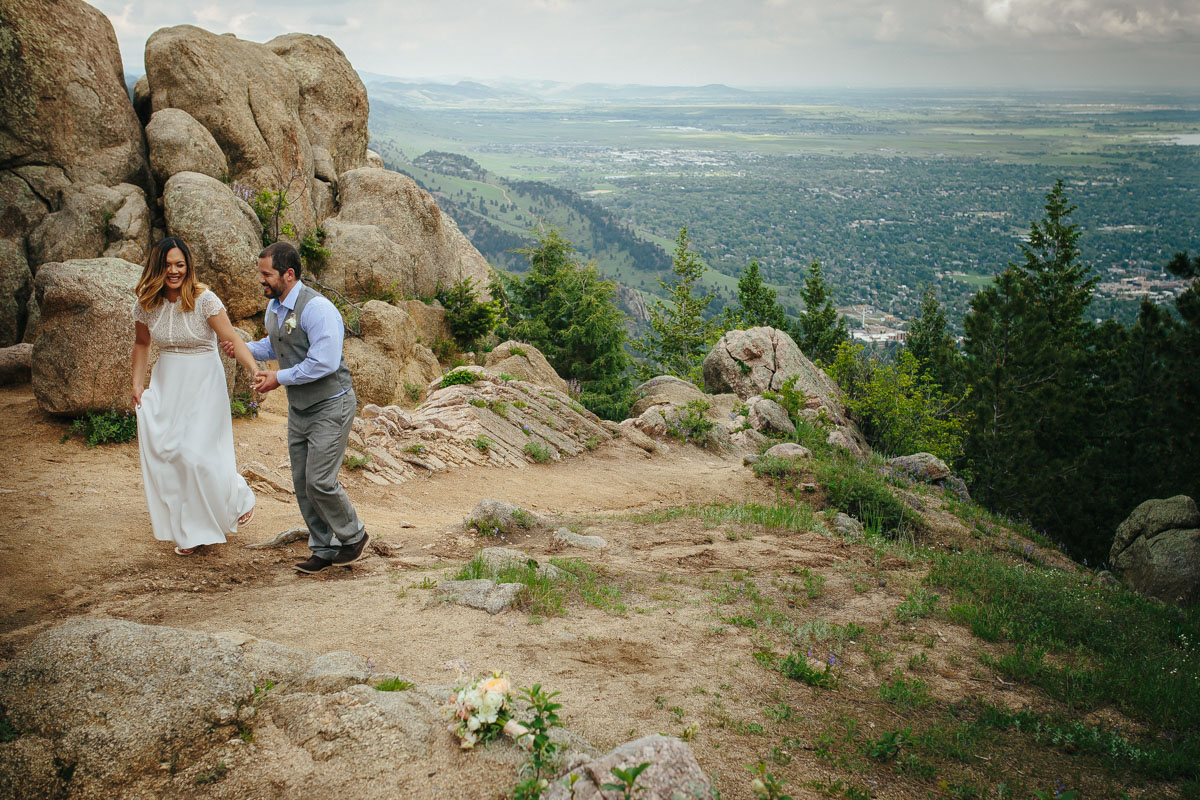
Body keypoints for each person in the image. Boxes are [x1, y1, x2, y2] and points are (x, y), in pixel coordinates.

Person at [223, 241, 369, 574]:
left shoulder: (318, 309)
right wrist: (244, 349)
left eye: (266, 274)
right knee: (303, 482)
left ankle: (353, 535)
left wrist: (279, 378)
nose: (261, 280)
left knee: (319, 479)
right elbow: (274, 345)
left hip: (331, 405)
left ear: (288, 274)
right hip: (300, 409)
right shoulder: (274, 307)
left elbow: (325, 362)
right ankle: (322, 548)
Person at [131, 236, 259, 555]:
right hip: (168, 382)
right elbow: (142, 343)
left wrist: (254, 371)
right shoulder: (146, 302)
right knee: (170, 454)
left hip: (204, 381)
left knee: (195, 454)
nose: (174, 271)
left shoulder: (204, 299)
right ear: (157, 268)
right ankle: (191, 532)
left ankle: (238, 495)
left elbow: (231, 339)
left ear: (188, 267)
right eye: (167, 265)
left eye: (180, 265)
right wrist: (137, 382)